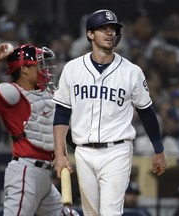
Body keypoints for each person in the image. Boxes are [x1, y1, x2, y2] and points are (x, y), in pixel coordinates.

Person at [52, 9, 167, 216]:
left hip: (117, 150)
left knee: (111, 212)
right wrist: (60, 154)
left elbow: (147, 112)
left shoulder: (131, 71)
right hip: (83, 151)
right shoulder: (72, 68)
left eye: (112, 29)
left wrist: (158, 149)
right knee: (91, 214)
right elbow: (61, 113)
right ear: (90, 34)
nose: (109, 33)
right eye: (103, 28)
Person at [0, 43, 63, 215]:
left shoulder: (45, 94)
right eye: (38, 65)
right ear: (25, 69)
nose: (43, 69)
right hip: (26, 171)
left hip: (45, 175)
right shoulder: (12, 93)